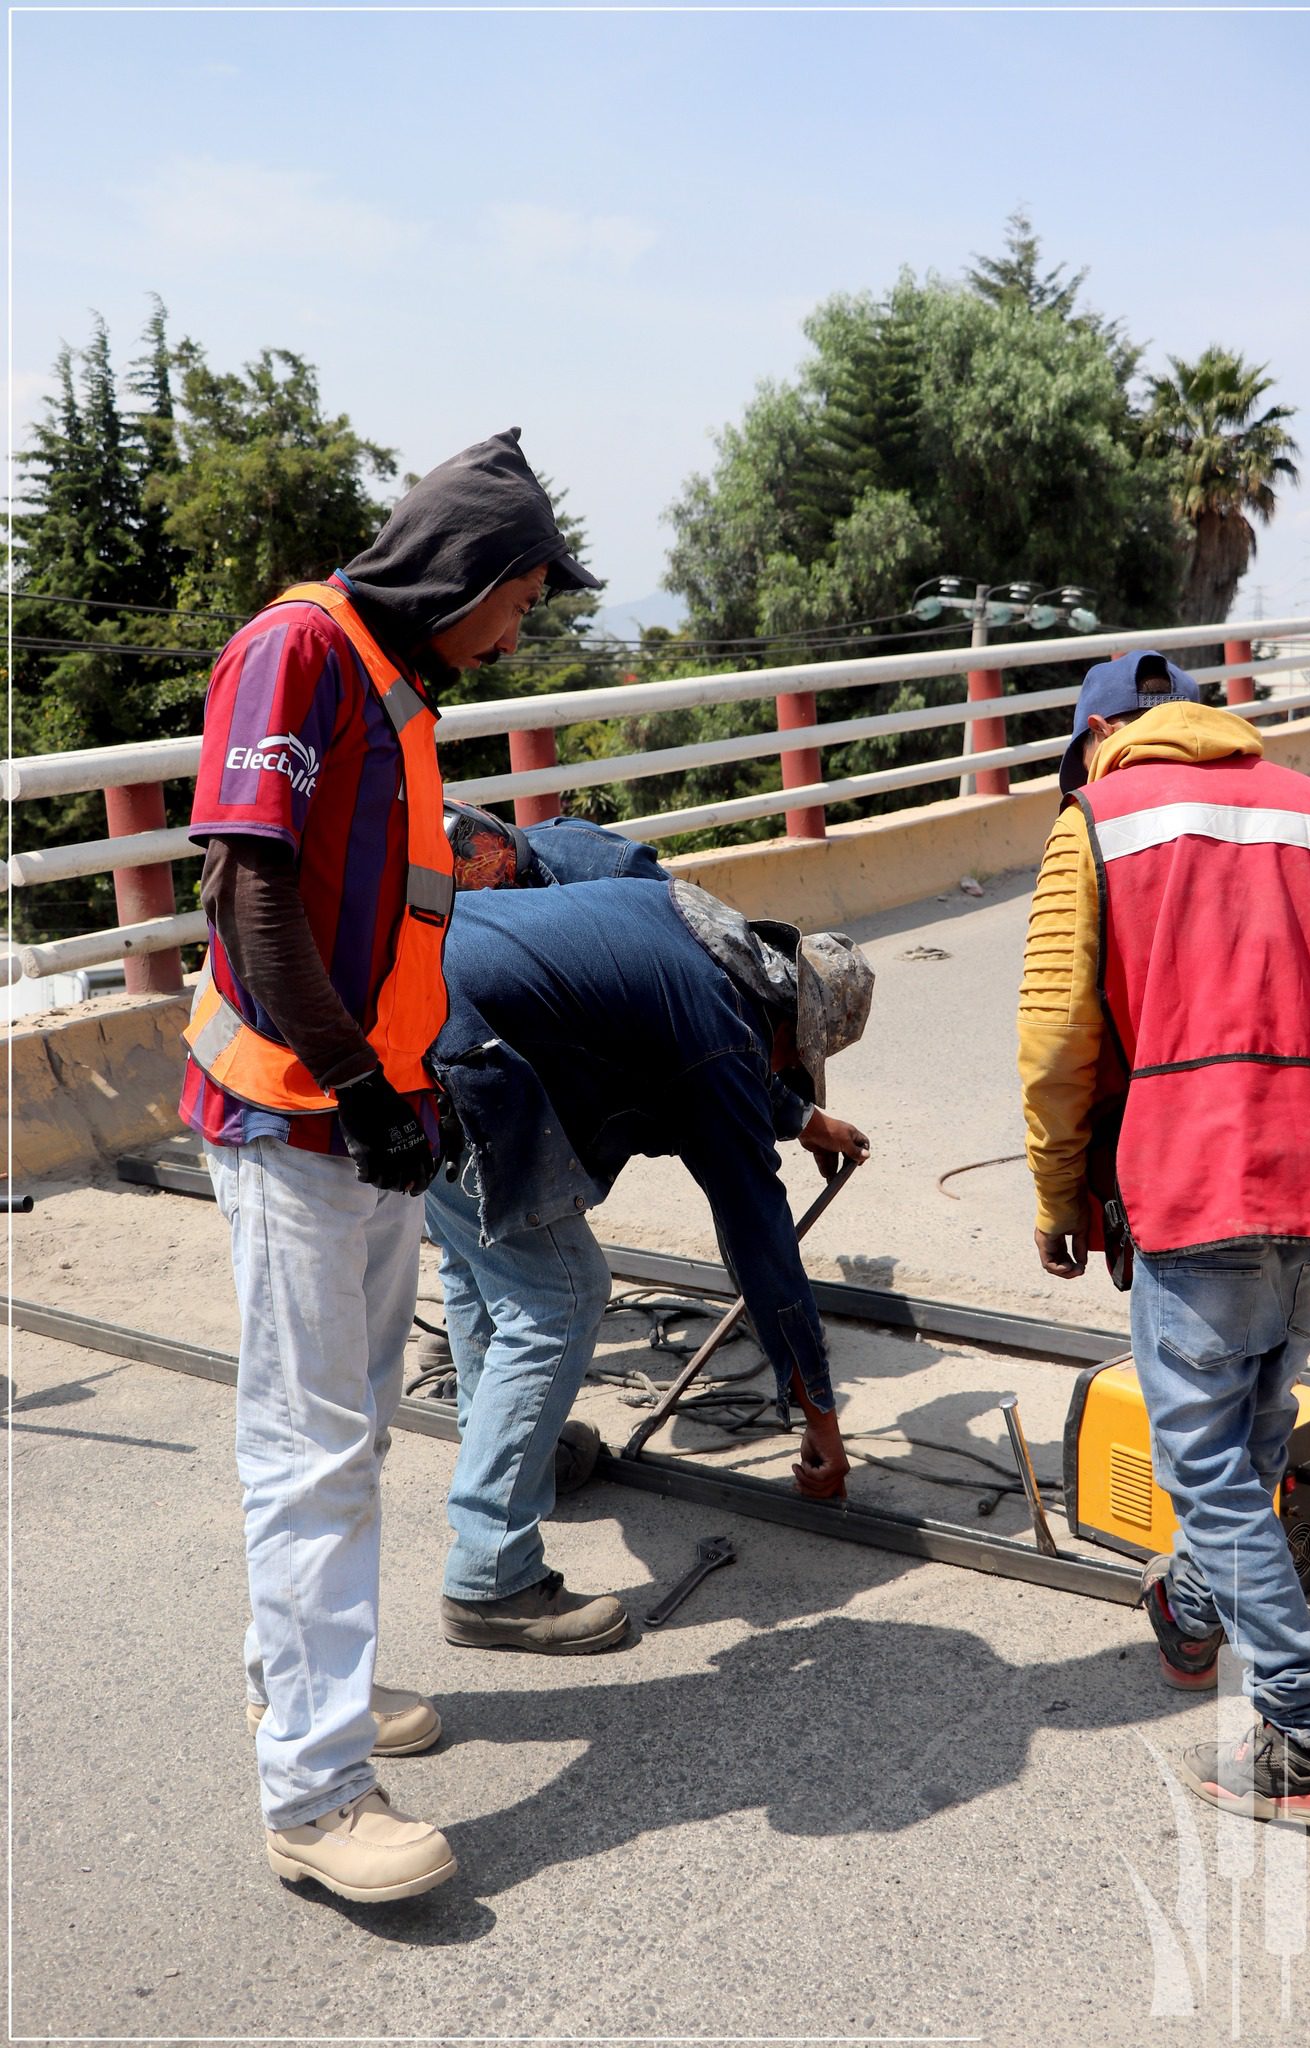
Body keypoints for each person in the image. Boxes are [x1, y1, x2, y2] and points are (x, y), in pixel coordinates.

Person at [180, 429, 602, 1902]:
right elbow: (246, 887)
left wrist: (405, 1094)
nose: (521, 627)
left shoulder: (393, 683)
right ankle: (311, 1794)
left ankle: (308, 1696)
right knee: (314, 1456)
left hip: (367, 1115)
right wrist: (360, 1090)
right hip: (299, 1116)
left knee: (341, 1436)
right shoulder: (300, 650)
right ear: (470, 571)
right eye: (524, 599)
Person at [1018, 648, 1310, 1830]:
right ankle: (1196, 1611)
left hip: (1197, 1171)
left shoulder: (1100, 817)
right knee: (1252, 1435)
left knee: (1204, 1469)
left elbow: (1059, 1039)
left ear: (1099, 737)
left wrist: (1061, 1196)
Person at [423, 875, 874, 1653]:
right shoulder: (722, 1031)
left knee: (481, 1267)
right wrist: (820, 1419)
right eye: (789, 1063)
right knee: (560, 1296)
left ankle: (509, 1467)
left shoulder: (683, 923)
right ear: (784, 1026)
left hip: (404, 1013)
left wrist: (799, 1117)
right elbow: (759, 1242)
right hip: (462, 1048)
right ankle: (490, 1575)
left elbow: (709, 1044)